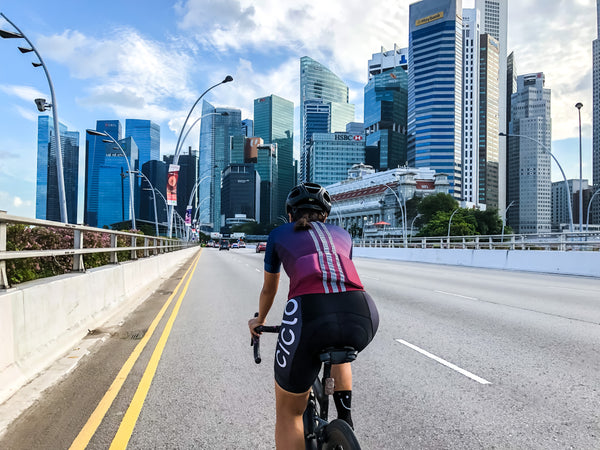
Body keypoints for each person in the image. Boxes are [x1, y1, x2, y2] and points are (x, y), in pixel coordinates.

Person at [248, 182, 379, 450]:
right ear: (326, 216)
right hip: (362, 312)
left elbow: (269, 288)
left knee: (289, 411)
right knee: (341, 345)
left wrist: (259, 320)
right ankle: (345, 418)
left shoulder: (278, 234)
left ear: (290, 214)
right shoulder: (343, 234)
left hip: (309, 314)